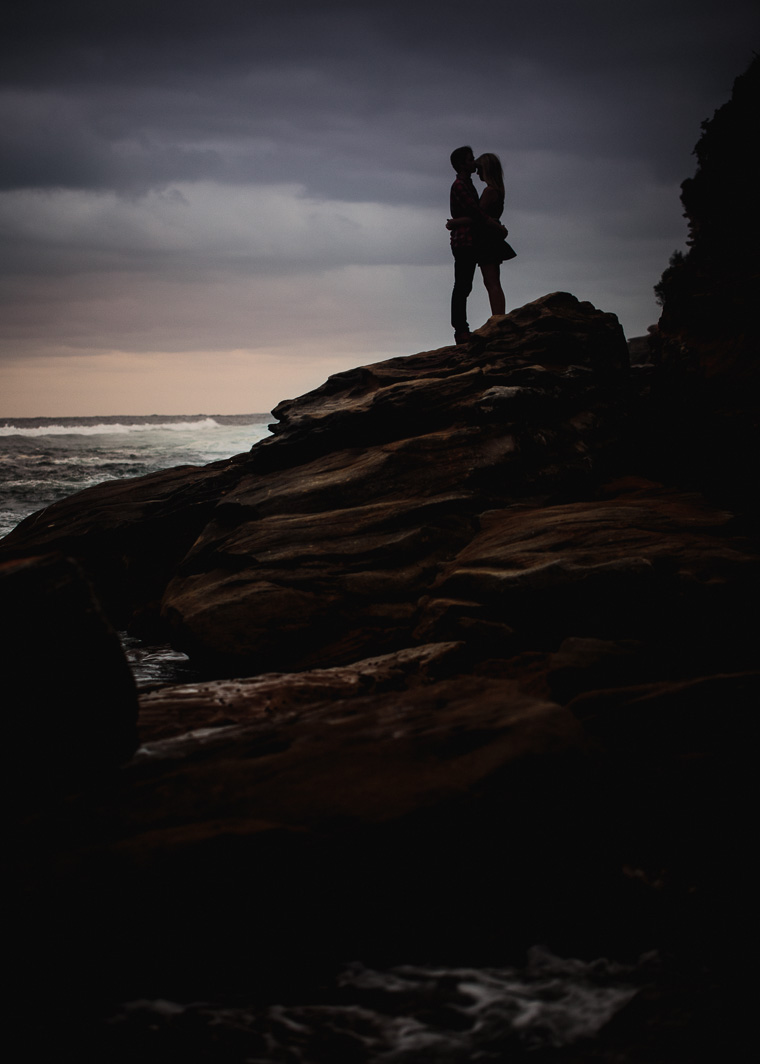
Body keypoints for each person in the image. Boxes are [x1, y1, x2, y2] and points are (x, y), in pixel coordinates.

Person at [447, 146, 507, 344]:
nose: (475, 165)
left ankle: (493, 321)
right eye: (471, 160)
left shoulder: (474, 187)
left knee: (477, 284)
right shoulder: (463, 186)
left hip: (475, 240)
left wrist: (453, 222)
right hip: (467, 242)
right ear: (463, 164)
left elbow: (478, 215)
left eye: (478, 164)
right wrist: (496, 226)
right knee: (466, 285)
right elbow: (478, 215)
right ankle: (462, 329)